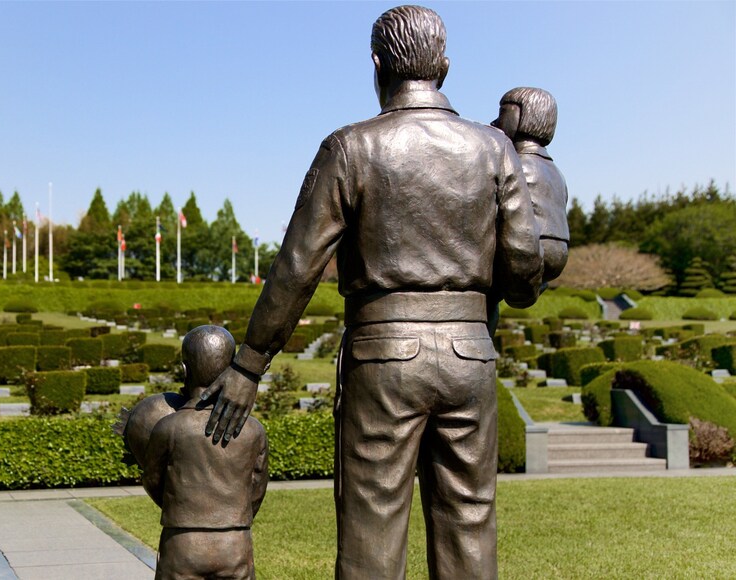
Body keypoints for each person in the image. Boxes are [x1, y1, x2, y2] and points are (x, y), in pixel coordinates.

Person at [200, 5, 542, 578]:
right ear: (445, 67)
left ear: (377, 64)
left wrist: (250, 362)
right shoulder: (495, 149)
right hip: (470, 355)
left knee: (372, 527)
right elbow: (525, 271)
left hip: (383, 357)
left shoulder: (349, 148)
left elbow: (297, 267)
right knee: (470, 520)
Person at [140, 325, 269, 580]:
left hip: (182, 544)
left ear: (184, 370)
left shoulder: (167, 428)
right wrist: (234, 517)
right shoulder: (253, 430)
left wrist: (180, 506)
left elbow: (153, 481)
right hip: (235, 544)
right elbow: (256, 489)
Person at [492, 86, 569, 282]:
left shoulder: (515, 165)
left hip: (528, 249)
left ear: (521, 118)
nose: (494, 122)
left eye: (502, 114)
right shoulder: (556, 172)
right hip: (559, 252)